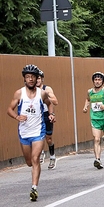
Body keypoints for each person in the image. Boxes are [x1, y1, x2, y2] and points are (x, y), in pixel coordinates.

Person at [7, 64, 54, 201]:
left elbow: (50, 103)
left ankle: (34, 188)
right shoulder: (19, 93)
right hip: (24, 132)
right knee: (29, 162)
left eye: (33, 77)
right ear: (24, 79)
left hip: (38, 131)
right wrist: (17, 117)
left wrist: (51, 114)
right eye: (28, 77)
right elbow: (9, 109)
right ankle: (34, 168)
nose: (30, 79)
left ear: (36, 78)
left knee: (35, 159)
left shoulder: (42, 93)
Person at [36, 69, 59, 170]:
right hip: (35, 116)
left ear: (42, 79)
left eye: (39, 78)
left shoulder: (47, 88)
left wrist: (46, 96)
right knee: (37, 136)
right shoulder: (29, 89)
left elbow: (55, 101)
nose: (37, 80)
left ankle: (52, 156)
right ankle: (40, 152)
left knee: (48, 138)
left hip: (46, 114)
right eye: (35, 78)